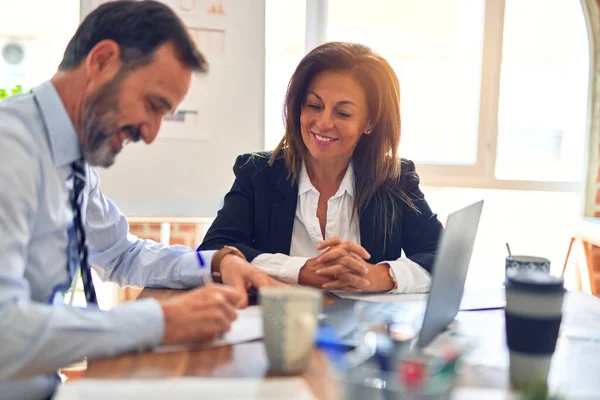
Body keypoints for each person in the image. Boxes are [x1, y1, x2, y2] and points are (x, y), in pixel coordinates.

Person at [0, 1, 281, 398]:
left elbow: (120, 254)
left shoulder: (70, 158)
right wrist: (157, 321)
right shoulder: (10, 151)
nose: (150, 134)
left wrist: (216, 262)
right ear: (102, 61)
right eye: (153, 105)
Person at [201, 41, 444, 294]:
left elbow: (442, 256)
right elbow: (213, 251)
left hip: (364, 330)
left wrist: (380, 275)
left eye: (343, 113)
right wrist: (300, 271)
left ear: (370, 122)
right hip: (277, 326)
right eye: (314, 106)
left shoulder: (393, 178)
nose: (324, 122)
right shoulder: (257, 173)